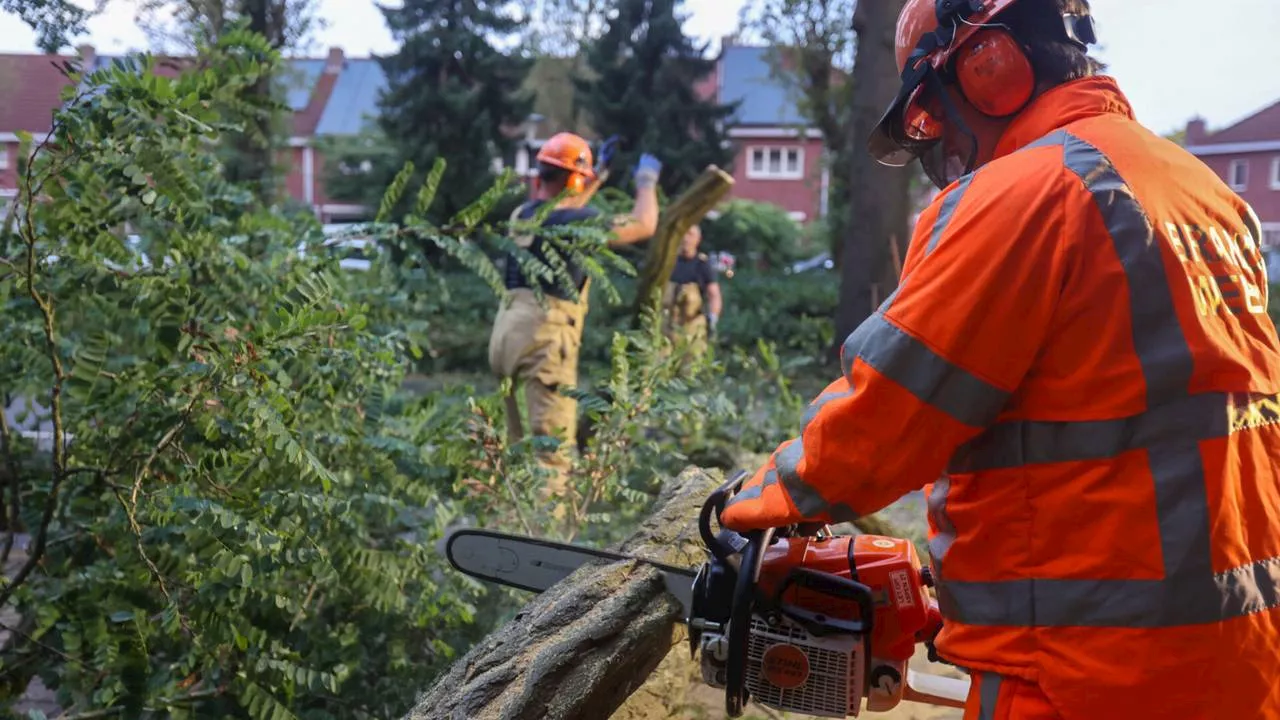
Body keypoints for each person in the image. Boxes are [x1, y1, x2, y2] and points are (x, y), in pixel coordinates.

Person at [718, 1, 1280, 719]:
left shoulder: (1027, 193)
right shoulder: (1206, 192)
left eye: (934, 109)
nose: (944, 138)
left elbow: (889, 415)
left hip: (1080, 670)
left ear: (991, 68)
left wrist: (760, 502)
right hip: (1242, 657)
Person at [488, 132, 660, 501]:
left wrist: (597, 175)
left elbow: (566, 209)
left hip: (507, 335)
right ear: (574, 179)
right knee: (552, 450)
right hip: (545, 340)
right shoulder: (575, 220)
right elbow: (644, 224)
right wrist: (647, 180)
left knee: (514, 445)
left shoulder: (525, 214)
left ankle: (506, 523)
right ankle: (547, 535)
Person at [661, 223, 723, 359]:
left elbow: (714, 294)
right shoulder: (669, 261)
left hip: (691, 327)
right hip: (666, 325)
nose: (686, 239)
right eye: (683, 234)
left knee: (689, 369)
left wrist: (713, 319)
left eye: (690, 234)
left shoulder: (703, 265)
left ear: (698, 239)